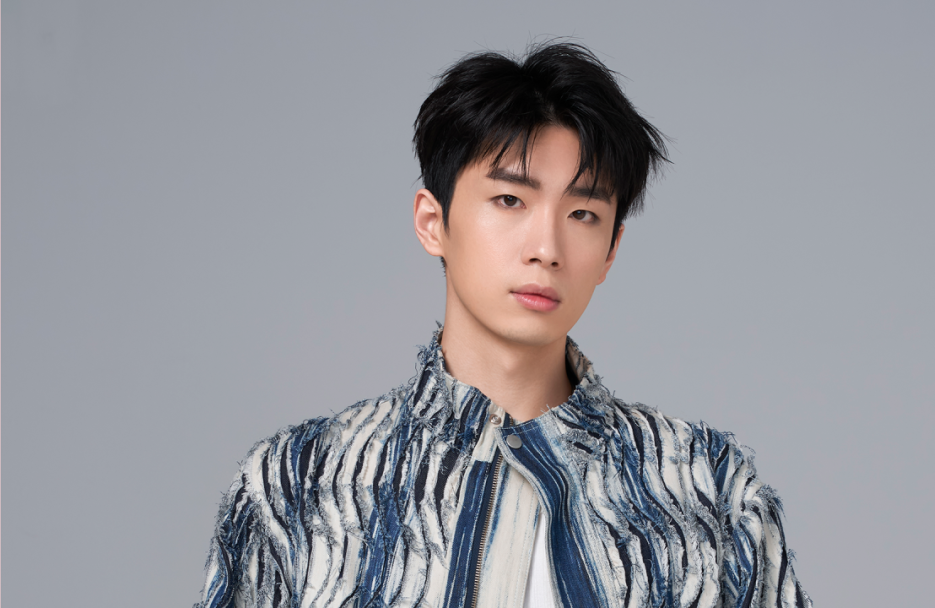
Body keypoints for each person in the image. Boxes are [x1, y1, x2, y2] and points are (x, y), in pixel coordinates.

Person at [196, 41, 812, 608]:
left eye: (583, 213)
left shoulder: (708, 491)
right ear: (433, 223)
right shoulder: (299, 487)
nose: (546, 248)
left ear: (611, 250)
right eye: (510, 200)